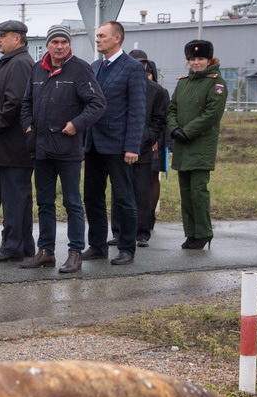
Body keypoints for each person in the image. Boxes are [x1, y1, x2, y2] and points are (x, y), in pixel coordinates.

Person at [20, 24, 106, 273]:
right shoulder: (37, 69)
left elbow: (97, 103)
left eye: (64, 42)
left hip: (68, 148)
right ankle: (45, 251)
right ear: (47, 45)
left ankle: (75, 252)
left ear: (69, 45)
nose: (59, 46)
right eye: (55, 42)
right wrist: (27, 126)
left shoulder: (79, 69)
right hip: (41, 148)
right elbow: (26, 102)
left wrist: (76, 125)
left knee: (72, 203)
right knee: (44, 202)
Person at [82, 21, 147, 266]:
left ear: (117, 38)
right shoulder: (95, 66)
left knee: (123, 198)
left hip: (119, 146)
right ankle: (97, 246)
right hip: (94, 144)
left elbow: (138, 110)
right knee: (92, 197)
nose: (97, 40)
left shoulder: (132, 68)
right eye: (97, 35)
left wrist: (132, 146)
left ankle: (126, 248)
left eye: (102, 36)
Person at [0, 19, 36, 264]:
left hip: (12, 143)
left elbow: (14, 102)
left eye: (2, 35)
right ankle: (24, 245)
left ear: (18, 38)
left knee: (14, 197)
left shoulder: (20, 63)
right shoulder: (11, 62)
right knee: (18, 196)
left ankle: (12, 246)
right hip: (7, 143)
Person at [167, 39, 227, 250]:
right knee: (185, 192)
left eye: (200, 58)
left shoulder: (216, 82)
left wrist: (188, 131)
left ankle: (203, 233)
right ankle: (191, 233)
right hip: (183, 145)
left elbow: (212, 114)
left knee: (198, 192)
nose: (196, 62)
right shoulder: (184, 82)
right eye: (192, 59)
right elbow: (171, 108)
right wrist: (174, 129)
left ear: (209, 59)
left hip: (200, 145)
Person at [108, 50, 169, 248]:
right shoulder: (116, 86)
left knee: (141, 192)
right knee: (119, 192)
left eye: (141, 64)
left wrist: (144, 139)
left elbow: (159, 120)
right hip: (118, 146)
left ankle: (142, 232)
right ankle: (118, 232)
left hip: (142, 149)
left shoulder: (156, 90)